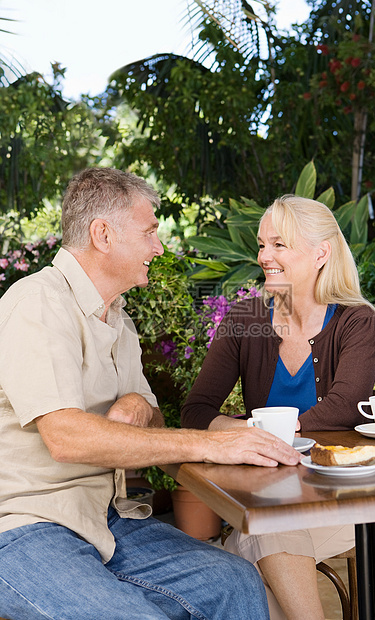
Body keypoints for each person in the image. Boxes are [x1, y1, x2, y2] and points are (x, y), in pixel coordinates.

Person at [0, 168, 303, 620]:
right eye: (149, 233)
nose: (158, 248)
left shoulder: (119, 321)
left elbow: (155, 425)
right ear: (102, 234)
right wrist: (212, 443)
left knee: (235, 582)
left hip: (108, 518)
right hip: (26, 528)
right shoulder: (38, 302)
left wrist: (140, 405)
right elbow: (66, 437)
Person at [181, 195, 375, 620]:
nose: (264, 256)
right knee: (265, 531)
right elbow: (196, 411)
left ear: (320, 253)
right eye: (261, 245)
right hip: (269, 500)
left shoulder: (357, 321)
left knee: (247, 552)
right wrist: (252, 436)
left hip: (342, 503)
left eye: (279, 245)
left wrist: (258, 436)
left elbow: (345, 407)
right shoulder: (245, 318)